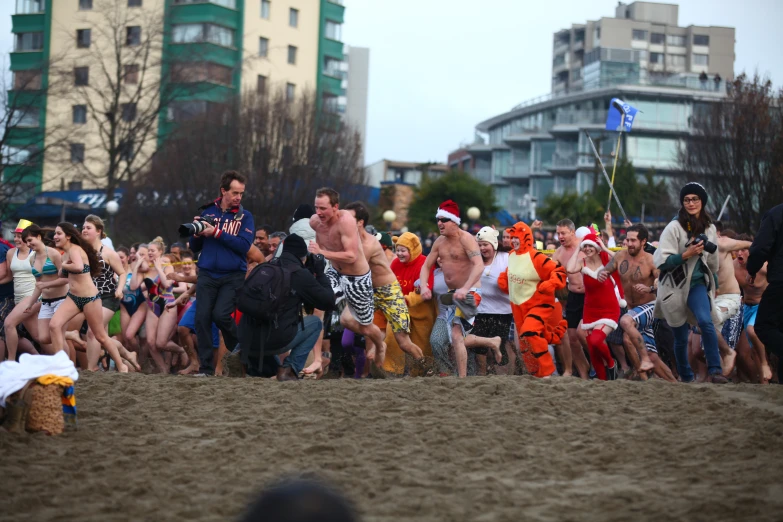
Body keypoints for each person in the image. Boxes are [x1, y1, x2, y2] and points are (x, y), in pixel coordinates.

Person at [654, 182, 725, 383]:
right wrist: (686, 254)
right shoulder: (673, 227)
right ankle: (685, 376)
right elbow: (662, 261)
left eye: (695, 199)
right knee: (680, 336)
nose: (691, 203)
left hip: (697, 285)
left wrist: (715, 283)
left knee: (705, 321)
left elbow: (712, 260)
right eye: (687, 199)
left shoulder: (709, 227)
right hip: (673, 286)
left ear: (702, 202)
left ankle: (715, 370)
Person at [240, 234, 335, 380]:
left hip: (247, 340)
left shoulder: (267, 267)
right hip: (275, 340)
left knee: (268, 332)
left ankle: (243, 359)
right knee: (315, 323)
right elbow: (328, 302)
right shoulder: (299, 274)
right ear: (302, 256)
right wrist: (320, 273)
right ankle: (290, 370)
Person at [308, 188, 386, 364]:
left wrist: (322, 252)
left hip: (357, 279)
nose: (318, 213)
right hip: (335, 272)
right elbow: (321, 247)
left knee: (365, 326)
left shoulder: (346, 222)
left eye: (323, 208)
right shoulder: (315, 222)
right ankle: (317, 360)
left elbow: (351, 256)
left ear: (335, 207)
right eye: (316, 208)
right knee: (318, 306)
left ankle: (380, 345)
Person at [343, 202, 426, 367]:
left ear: (360, 222)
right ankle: (379, 344)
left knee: (403, 342)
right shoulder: (349, 239)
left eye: (348, 218)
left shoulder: (369, 243)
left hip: (389, 292)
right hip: (370, 291)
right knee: (346, 319)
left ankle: (425, 366)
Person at [189, 170, 254, 375]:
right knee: (201, 318)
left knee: (221, 315)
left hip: (232, 274)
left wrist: (216, 232)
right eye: (235, 193)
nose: (238, 197)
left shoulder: (245, 216)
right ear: (223, 191)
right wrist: (198, 230)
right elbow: (194, 246)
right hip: (207, 272)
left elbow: (244, 245)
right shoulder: (208, 211)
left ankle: (239, 347)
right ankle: (206, 368)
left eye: (241, 193)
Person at [48, 223, 128, 372]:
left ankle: (121, 365)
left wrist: (64, 266)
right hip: (73, 297)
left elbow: (78, 267)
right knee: (54, 325)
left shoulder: (75, 249)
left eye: (58, 233)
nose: (55, 237)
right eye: (55, 233)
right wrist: (62, 268)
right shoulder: (65, 253)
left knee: (100, 336)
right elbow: (64, 274)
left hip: (90, 298)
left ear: (68, 236)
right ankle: (60, 364)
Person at [418, 200, 484, 378]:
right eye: (438, 219)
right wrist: (424, 285)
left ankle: (462, 380)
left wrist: (465, 288)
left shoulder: (466, 239)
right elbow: (425, 267)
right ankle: (451, 373)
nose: (440, 223)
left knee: (456, 335)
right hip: (452, 296)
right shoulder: (439, 242)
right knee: (447, 338)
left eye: (444, 220)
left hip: (470, 294)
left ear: (454, 221)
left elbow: (479, 266)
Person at [601, 225, 675, 381]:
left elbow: (661, 282)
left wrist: (649, 288)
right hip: (631, 309)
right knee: (647, 352)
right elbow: (607, 269)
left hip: (650, 307)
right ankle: (669, 382)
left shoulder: (651, 260)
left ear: (643, 241)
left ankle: (644, 366)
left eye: (633, 240)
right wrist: (603, 274)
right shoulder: (620, 256)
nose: (629, 243)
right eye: (628, 239)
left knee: (626, 326)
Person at [498, 222, 567, 378]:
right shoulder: (511, 255)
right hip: (518, 306)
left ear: (526, 238)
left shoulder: (536, 256)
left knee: (530, 332)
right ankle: (535, 374)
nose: (514, 241)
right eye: (512, 238)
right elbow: (510, 272)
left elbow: (558, 271)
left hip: (538, 304)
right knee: (524, 345)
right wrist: (503, 281)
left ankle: (548, 371)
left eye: (517, 238)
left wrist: (550, 283)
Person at [567, 233, 623, 380]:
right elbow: (570, 268)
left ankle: (611, 363)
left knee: (595, 340)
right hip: (590, 310)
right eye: (585, 246)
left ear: (597, 247)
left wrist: (604, 248)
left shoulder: (607, 261)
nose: (587, 248)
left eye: (590, 245)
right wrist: (577, 249)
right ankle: (602, 380)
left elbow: (622, 260)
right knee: (592, 349)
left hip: (609, 309)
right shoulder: (582, 262)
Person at [384, 232, 437, 375]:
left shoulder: (424, 263)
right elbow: (388, 283)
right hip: (398, 310)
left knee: (421, 343)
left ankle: (421, 372)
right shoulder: (395, 263)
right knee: (391, 338)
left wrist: (406, 300)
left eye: (403, 251)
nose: (399, 254)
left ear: (413, 249)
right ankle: (391, 370)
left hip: (421, 312)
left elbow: (425, 289)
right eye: (398, 250)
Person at [81, 215, 128, 371]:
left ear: (99, 231)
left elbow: (122, 273)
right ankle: (127, 355)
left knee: (93, 332)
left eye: (88, 228)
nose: (84, 230)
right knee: (102, 337)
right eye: (83, 227)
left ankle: (91, 368)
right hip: (89, 297)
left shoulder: (108, 253)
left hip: (108, 296)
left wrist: (120, 289)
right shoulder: (81, 251)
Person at [746, 201, 783, 383]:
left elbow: (761, 247)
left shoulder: (776, 214)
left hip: (781, 281)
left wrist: (752, 268)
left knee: (763, 326)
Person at [551, 219, 591, 378]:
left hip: (591, 295)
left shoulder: (586, 245)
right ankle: (583, 374)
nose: (560, 236)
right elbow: (547, 270)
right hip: (574, 295)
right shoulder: (559, 252)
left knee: (586, 335)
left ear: (572, 232)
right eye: (558, 233)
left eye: (563, 233)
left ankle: (598, 364)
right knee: (572, 338)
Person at [21, 226, 68, 351]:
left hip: (62, 299)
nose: (28, 244)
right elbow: (38, 285)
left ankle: (65, 366)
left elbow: (66, 279)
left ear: (39, 237)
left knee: (58, 335)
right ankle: (72, 335)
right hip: (46, 302)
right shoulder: (32, 258)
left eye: (30, 240)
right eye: (26, 242)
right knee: (43, 338)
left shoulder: (54, 254)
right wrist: (30, 304)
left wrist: (46, 285)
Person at [0, 219, 40, 362]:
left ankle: (10, 363)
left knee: (9, 324)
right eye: (15, 236)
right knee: (39, 336)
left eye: (20, 236)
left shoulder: (35, 253)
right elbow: (9, 277)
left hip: (32, 297)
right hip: (19, 299)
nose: (16, 239)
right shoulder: (11, 253)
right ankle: (69, 337)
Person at [471, 227, 510, 370]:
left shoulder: (505, 258)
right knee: (479, 349)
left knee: (498, 349)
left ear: (493, 244)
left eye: (485, 244)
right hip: (480, 311)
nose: (482, 248)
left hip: (503, 312)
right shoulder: (475, 260)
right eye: (479, 245)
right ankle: (482, 375)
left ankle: (502, 378)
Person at [734, 237, 772, 383]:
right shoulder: (734, 266)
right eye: (738, 249)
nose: (739, 253)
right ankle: (764, 383)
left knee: (752, 330)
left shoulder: (764, 267)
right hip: (746, 308)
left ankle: (764, 364)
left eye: (744, 250)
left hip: (763, 306)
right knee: (747, 351)